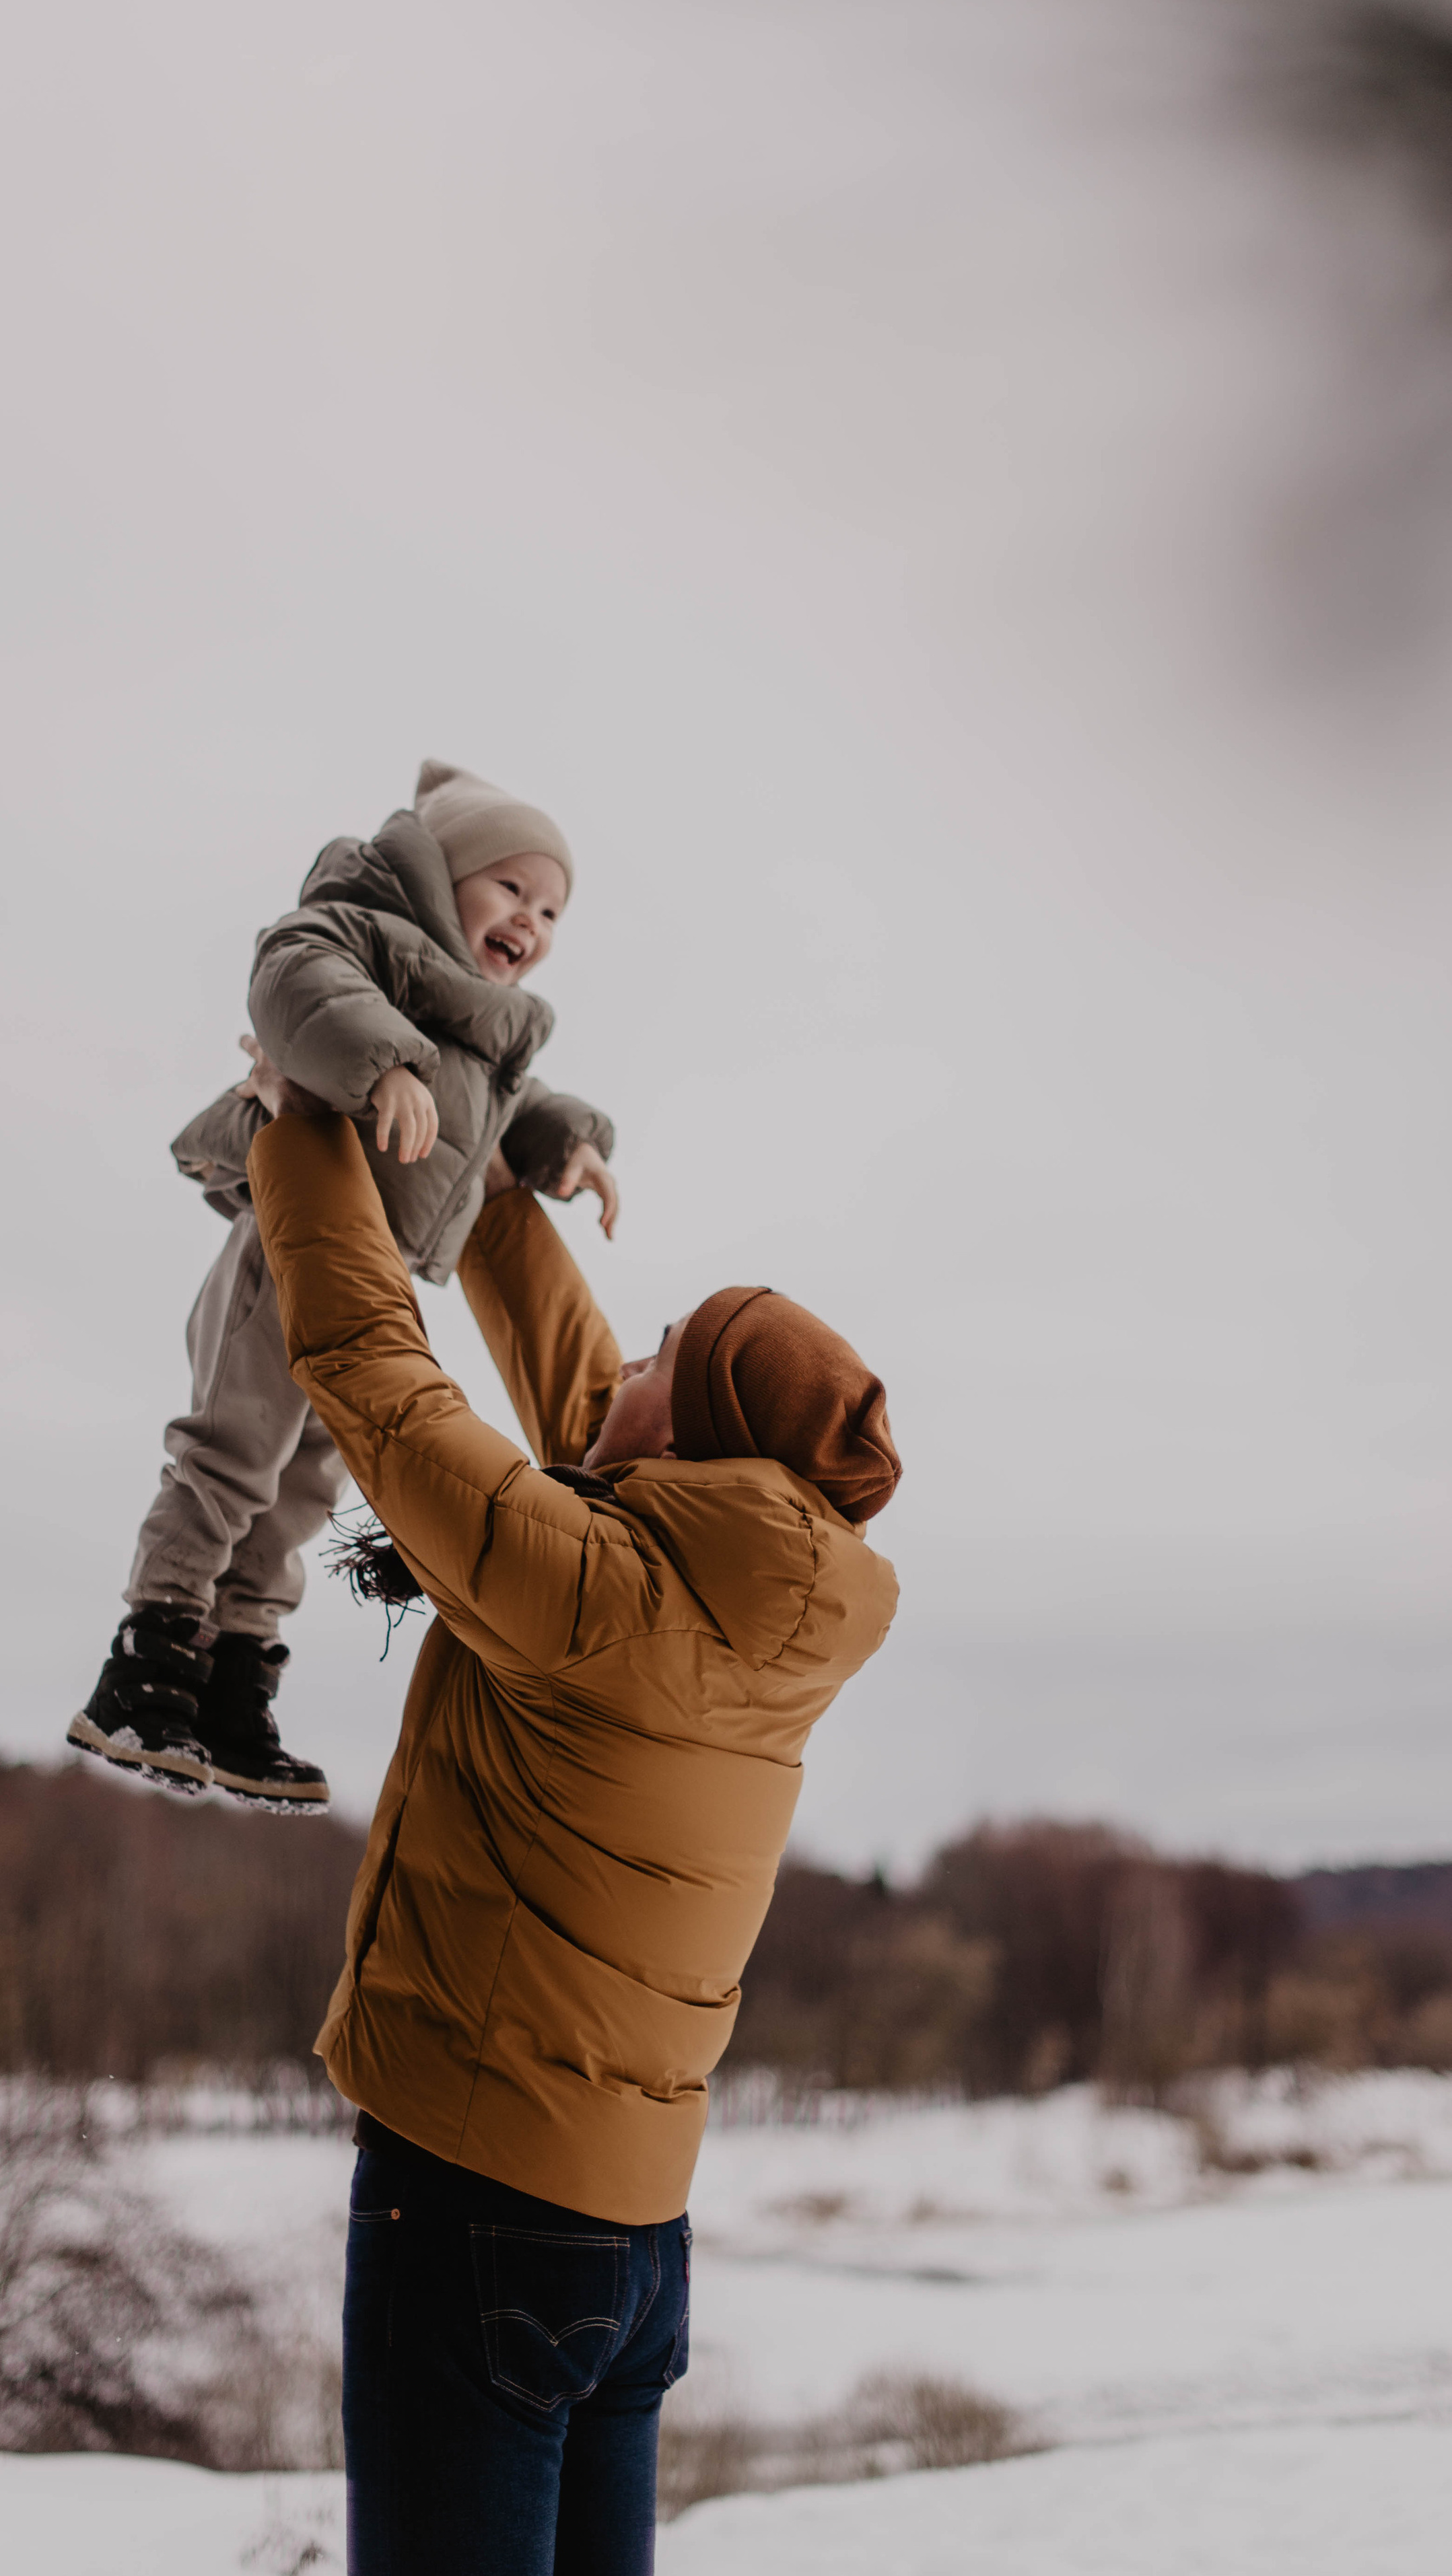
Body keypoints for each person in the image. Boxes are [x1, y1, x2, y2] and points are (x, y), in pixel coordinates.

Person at [236, 1039, 902, 2575]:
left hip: (473, 2218)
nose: (630, 1360)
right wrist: (466, 1172)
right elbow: (587, 1391)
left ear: (691, 1433)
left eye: (665, 1350)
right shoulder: (741, 1608)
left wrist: (300, 1123)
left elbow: (373, 1374)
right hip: (633, 2251)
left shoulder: (593, 1595)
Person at [68, 762, 619, 1812]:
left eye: (549, 908)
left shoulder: (488, 1034)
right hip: (287, 1254)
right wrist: (382, 1067)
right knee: (232, 1454)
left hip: (370, 1291)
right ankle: (149, 1658)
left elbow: (514, 1106)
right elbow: (297, 981)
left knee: (305, 1487)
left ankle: (236, 1678)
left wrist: (570, 1146)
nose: (530, 920)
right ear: (442, 872)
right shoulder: (367, 935)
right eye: (509, 888)